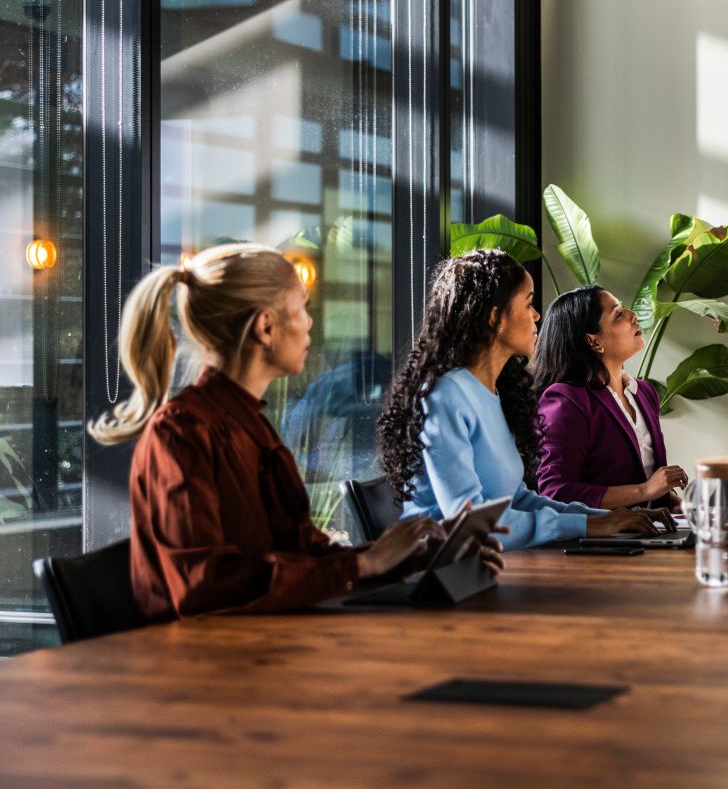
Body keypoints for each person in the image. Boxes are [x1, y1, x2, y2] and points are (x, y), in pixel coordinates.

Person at [91, 243, 486, 622]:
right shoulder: (180, 434)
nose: (310, 322)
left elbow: (298, 554)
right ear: (265, 326)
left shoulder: (249, 424)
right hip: (203, 673)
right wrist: (363, 564)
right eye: (302, 307)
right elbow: (201, 585)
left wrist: (405, 556)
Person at [377, 251, 670, 548]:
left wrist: (603, 519)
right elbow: (471, 523)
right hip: (437, 573)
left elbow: (519, 499)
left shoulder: (492, 393)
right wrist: (589, 523)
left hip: (485, 565)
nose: (537, 316)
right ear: (496, 317)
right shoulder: (446, 395)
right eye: (529, 303)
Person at [531, 285, 690, 509]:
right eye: (618, 314)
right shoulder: (567, 400)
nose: (632, 315)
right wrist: (645, 490)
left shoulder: (644, 393)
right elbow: (556, 492)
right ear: (593, 341)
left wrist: (686, 509)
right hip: (605, 540)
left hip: (654, 534)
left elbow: (648, 485)